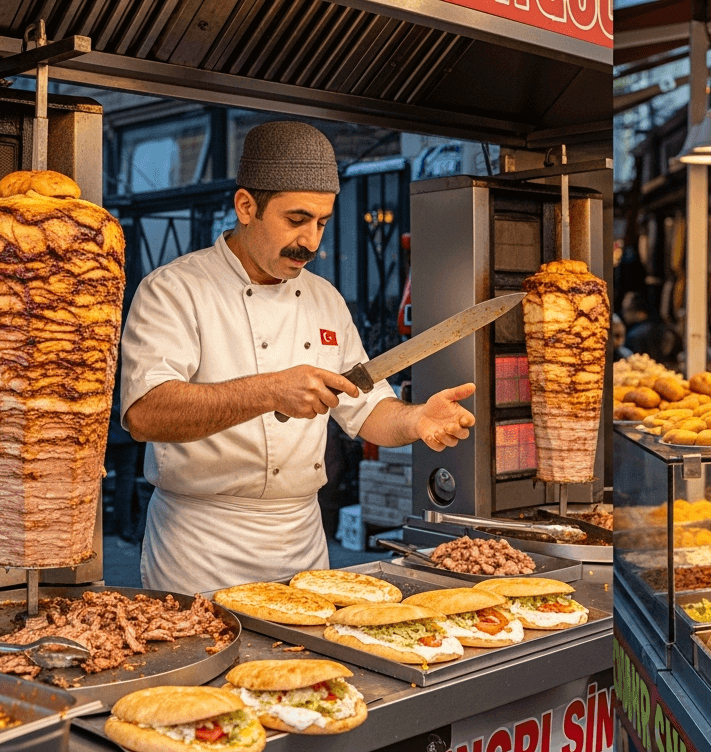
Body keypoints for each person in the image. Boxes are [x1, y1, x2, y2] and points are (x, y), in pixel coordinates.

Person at [119, 121, 476, 594]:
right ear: (246, 206)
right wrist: (270, 389)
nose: (312, 241)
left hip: (302, 546)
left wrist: (416, 421)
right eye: (296, 219)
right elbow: (145, 414)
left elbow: (365, 408)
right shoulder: (174, 290)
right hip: (201, 550)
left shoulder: (325, 298)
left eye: (322, 223)